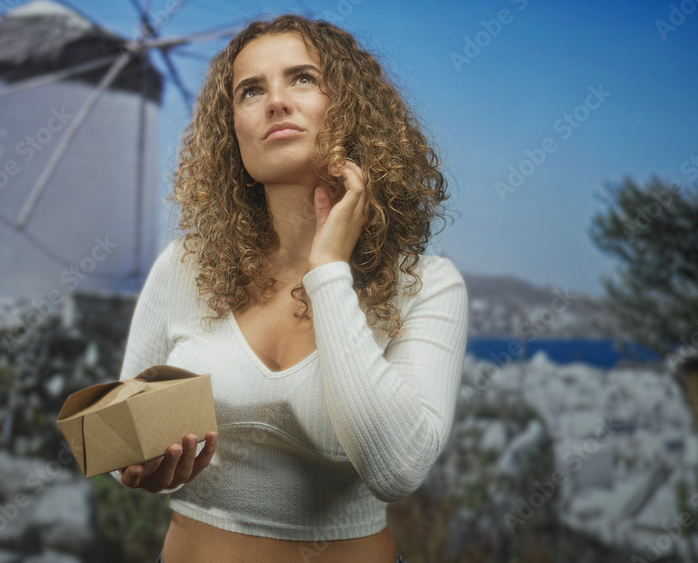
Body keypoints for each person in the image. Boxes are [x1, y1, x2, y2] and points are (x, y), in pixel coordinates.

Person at [110, 13, 468, 563]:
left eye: (302, 78)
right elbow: (120, 440)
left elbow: (397, 469)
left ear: (350, 107)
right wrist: (139, 468)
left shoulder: (426, 285)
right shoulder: (183, 267)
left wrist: (328, 271)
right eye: (251, 90)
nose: (276, 101)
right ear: (233, 131)